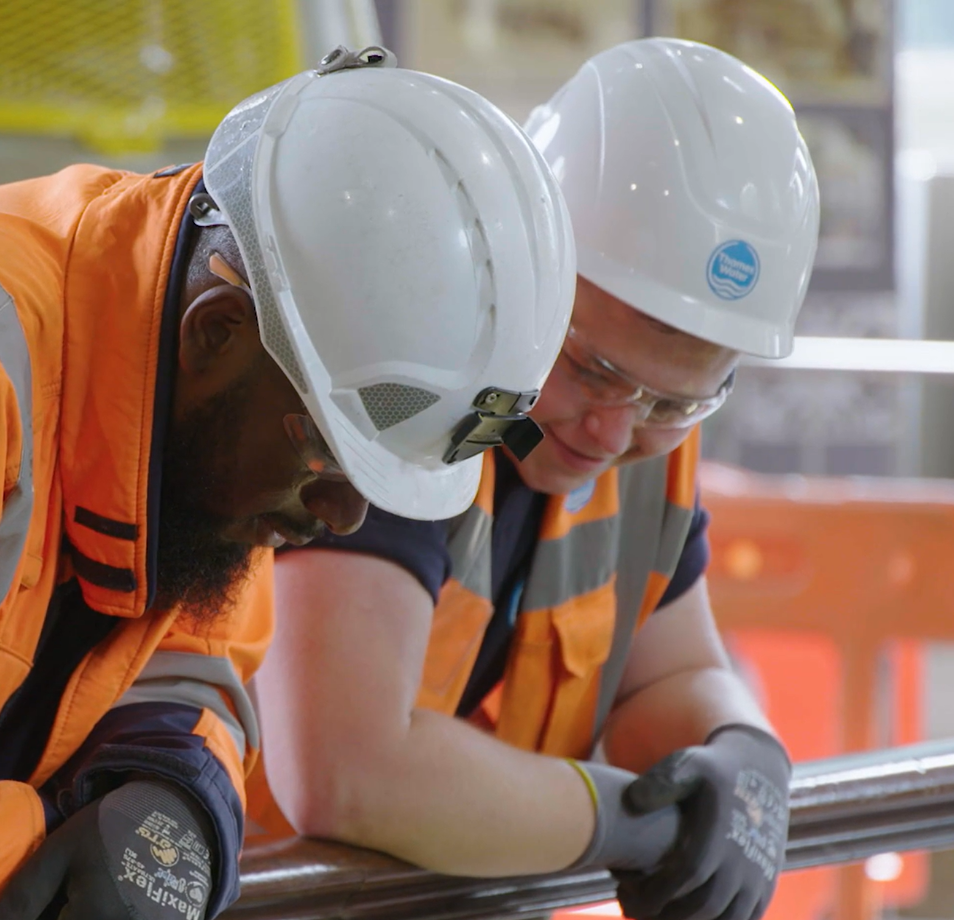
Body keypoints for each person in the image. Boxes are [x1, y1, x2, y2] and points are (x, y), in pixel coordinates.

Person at [0, 45, 576, 920]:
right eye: (328, 460)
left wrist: (168, 801)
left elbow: (198, 666)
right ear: (218, 332)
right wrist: (36, 844)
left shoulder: (199, 458)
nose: (343, 518)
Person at [256, 38, 820, 920]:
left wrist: (741, 750)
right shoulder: (395, 394)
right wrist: (613, 823)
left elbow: (665, 678)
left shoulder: (644, 445)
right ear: (516, 265)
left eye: (675, 401)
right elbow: (345, 768)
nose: (615, 430)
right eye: (592, 368)